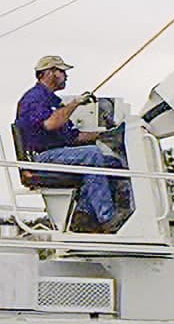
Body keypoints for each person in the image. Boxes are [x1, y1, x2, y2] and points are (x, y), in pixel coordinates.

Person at [14, 55, 131, 230]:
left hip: (56, 155)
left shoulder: (54, 102)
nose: (66, 76)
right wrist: (75, 103)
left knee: (112, 164)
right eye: (62, 71)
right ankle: (106, 217)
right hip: (42, 159)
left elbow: (74, 137)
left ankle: (84, 216)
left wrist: (108, 134)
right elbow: (50, 123)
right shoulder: (34, 98)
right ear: (49, 73)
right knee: (91, 154)